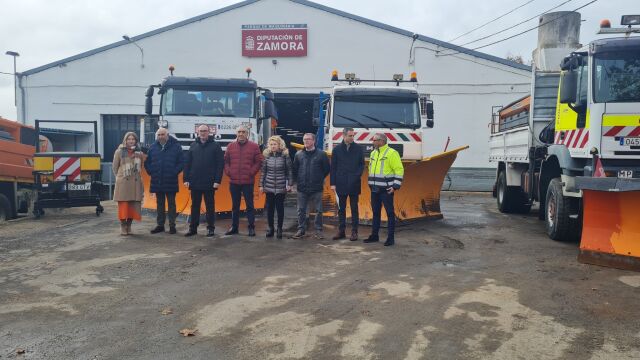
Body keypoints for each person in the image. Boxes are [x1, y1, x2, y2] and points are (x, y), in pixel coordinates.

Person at [183, 125, 224, 237]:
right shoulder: (193, 145)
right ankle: (193, 229)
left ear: (209, 132)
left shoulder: (215, 146)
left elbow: (220, 164)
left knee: (210, 206)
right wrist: (186, 178)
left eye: (205, 131)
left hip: (209, 182)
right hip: (195, 182)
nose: (203, 133)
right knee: (194, 206)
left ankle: (211, 228)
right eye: (201, 131)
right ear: (197, 132)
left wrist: (217, 180)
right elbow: (187, 163)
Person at [364, 133, 404, 246]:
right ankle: (374, 236)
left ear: (381, 141)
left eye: (374, 140)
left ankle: (390, 238)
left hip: (386, 190)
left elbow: (399, 170)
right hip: (374, 189)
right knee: (376, 213)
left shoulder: (392, 153)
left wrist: (395, 186)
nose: (373, 142)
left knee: (390, 213)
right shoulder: (373, 153)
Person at [224, 125, 263, 237]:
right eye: (239, 132)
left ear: (248, 134)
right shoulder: (230, 146)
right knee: (235, 206)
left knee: (250, 206)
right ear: (236, 133)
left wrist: (251, 172)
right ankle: (234, 227)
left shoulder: (254, 146)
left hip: (248, 182)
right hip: (234, 181)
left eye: (243, 132)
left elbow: (259, 161)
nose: (241, 134)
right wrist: (228, 172)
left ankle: (251, 228)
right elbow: (226, 161)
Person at [144, 128, 184, 235]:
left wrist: (174, 172)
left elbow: (181, 162)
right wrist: (151, 172)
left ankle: (172, 226)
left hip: (170, 180)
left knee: (172, 204)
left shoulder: (176, 147)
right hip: (157, 181)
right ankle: (160, 225)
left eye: (163, 134)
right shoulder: (153, 147)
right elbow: (147, 163)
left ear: (167, 135)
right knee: (159, 204)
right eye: (159, 135)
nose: (161, 136)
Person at [292, 133, 330, 239]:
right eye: (304, 139)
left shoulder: (321, 154)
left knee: (318, 210)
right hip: (302, 188)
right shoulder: (298, 155)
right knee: (301, 210)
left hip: (316, 187)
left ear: (314, 141)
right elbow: (295, 169)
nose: (306, 141)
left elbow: (326, 169)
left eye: (308, 139)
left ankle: (318, 231)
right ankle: (301, 229)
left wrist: (318, 178)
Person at [330, 127, 365, 241]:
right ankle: (341, 231)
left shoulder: (359, 149)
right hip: (341, 183)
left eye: (353, 135)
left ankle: (354, 232)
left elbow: (361, 165)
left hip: (354, 183)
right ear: (343, 135)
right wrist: (332, 183)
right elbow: (333, 167)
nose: (352, 137)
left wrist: (356, 176)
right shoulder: (337, 150)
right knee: (341, 208)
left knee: (354, 208)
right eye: (350, 135)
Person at [112, 132, 146, 236]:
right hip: (123, 182)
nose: (131, 141)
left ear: (136, 141)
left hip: (135, 182)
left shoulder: (139, 153)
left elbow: (142, 167)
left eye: (133, 139)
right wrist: (120, 177)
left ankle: (129, 225)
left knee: (134, 206)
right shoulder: (119, 152)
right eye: (129, 139)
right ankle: (123, 225)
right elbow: (115, 168)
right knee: (123, 206)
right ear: (125, 140)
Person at [259, 135, 293, 239]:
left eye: (275, 144)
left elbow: (289, 171)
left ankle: (279, 229)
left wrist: (290, 184)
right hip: (269, 186)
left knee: (280, 208)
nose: (273, 146)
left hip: (281, 186)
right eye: (271, 144)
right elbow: (263, 172)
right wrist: (261, 185)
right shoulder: (266, 156)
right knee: (269, 209)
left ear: (279, 145)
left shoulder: (285, 155)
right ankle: (270, 228)